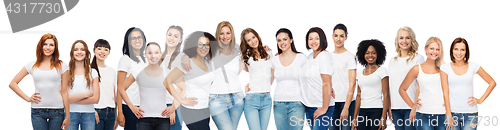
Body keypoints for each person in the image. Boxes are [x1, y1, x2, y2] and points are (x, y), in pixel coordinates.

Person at [9, 33, 70, 130]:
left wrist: (68, 116)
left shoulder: (62, 65)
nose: (48, 47)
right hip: (37, 111)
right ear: (40, 46)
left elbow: (64, 92)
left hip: (57, 111)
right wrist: (28, 98)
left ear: (55, 48)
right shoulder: (31, 65)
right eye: (45, 44)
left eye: (51, 45)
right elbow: (12, 83)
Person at [399, 37, 455, 130]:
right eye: (432, 48)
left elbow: (451, 89)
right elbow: (402, 89)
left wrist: (450, 106)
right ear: (426, 49)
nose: (434, 52)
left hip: (442, 115)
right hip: (423, 115)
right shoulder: (417, 69)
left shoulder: (444, 69)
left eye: (437, 49)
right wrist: (413, 106)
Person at [440, 37, 496, 130]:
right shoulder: (445, 68)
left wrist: (480, 100)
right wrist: (448, 114)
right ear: (452, 50)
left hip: (471, 114)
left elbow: (492, 82)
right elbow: (445, 93)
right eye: (456, 49)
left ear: (466, 51)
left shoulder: (473, 66)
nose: (459, 53)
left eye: (462, 50)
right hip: (452, 113)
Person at [164, 31, 216, 130]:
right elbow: (167, 81)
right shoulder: (188, 63)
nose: (204, 47)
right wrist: (181, 100)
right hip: (192, 111)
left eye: (207, 45)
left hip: (205, 109)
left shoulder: (208, 62)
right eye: (200, 44)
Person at [119, 42, 175, 130]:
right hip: (144, 120)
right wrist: (132, 107)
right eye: (150, 53)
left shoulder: (165, 73)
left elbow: (178, 92)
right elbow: (122, 89)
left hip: (163, 120)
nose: (153, 56)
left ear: (160, 54)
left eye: (156, 52)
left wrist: (173, 107)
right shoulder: (138, 71)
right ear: (145, 54)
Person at [388, 26, 424, 130]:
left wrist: (414, 107)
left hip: (410, 106)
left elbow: (420, 85)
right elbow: (391, 85)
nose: (404, 41)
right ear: (397, 40)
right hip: (395, 108)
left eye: (407, 38)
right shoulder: (392, 60)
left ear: (412, 39)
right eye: (401, 38)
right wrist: (390, 107)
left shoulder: (418, 58)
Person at [300, 27, 335, 130]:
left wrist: (324, 108)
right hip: (309, 105)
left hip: (321, 106)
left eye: (317, 38)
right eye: (310, 39)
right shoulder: (310, 57)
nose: (313, 41)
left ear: (322, 40)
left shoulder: (324, 56)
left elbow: (326, 83)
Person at [271, 28, 307, 130]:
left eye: (285, 39)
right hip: (278, 103)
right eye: (279, 40)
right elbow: (268, 81)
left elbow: (311, 78)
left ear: (291, 40)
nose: (282, 43)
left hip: (297, 103)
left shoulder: (302, 58)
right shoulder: (274, 60)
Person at [351, 39, 390, 130]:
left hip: (377, 110)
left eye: (373, 53)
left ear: (378, 54)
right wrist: (354, 118)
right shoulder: (360, 73)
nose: (370, 56)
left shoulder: (382, 71)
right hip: (362, 111)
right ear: (363, 54)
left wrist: (384, 117)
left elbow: (386, 94)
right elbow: (358, 96)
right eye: (367, 53)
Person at [239, 28, 274, 130]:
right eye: (248, 40)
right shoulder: (245, 56)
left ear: (257, 37)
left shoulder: (268, 53)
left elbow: (272, 74)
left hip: (267, 99)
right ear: (246, 43)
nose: (253, 41)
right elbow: (240, 70)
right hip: (252, 99)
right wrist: (248, 86)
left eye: (253, 37)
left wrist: (264, 84)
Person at [116, 27, 148, 130]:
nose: (137, 40)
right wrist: (120, 112)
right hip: (130, 107)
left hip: (145, 107)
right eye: (133, 38)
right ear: (129, 42)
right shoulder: (125, 59)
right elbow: (120, 87)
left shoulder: (146, 59)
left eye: (139, 37)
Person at [67, 40, 100, 130]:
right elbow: (63, 98)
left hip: (88, 114)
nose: (79, 52)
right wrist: (85, 95)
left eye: (82, 49)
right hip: (70, 114)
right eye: (76, 50)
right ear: (72, 53)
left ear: (86, 52)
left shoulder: (93, 72)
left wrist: (72, 99)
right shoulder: (66, 72)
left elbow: (96, 99)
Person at [329, 23, 357, 130]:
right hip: (331, 103)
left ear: (346, 37)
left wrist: (346, 107)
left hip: (347, 103)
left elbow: (352, 83)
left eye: (341, 36)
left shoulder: (350, 57)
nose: (338, 39)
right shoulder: (328, 56)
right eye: (336, 35)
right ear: (332, 37)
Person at [159, 25, 186, 130]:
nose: (171, 38)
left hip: (173, 104)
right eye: (169, 35)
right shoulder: (159, 57)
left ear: (180, 40)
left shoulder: (181, 58)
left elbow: (181, 87)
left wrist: (173, 108)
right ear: (166, 36)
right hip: (159, 103)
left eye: (176, 36)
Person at [91, 39, 118, 130]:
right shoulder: (89, 70)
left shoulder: (112, 71)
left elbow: (113, 94)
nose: (102, 52)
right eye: (99, 49)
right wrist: (92, 110)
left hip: (111, 112)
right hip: (96, 111)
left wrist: (116, 114)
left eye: (106, 49)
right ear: (94, 50)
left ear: (109, 52)